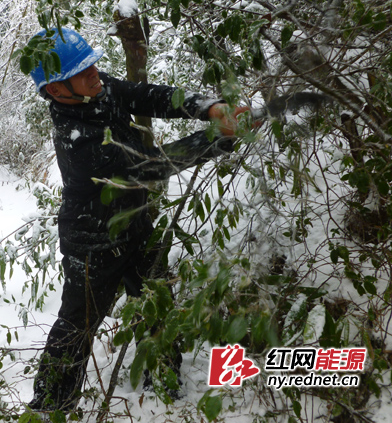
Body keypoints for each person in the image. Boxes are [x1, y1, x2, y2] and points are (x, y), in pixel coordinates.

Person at [26, 27, 252, 412]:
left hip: (135, 223)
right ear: (56, 90)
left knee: (156, 301)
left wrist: (208, 107)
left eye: (92, 63)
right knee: (75, 328)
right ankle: (50, 408)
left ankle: (164, 377)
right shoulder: (77, 140)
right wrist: (219, 137)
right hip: (92, 245)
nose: (94, 72)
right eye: (81, 71)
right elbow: (149, 166)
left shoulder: (96, 87)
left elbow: (149, 96)